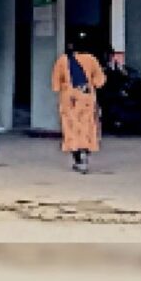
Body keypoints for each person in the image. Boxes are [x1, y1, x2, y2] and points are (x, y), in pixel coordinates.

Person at [51, 32, 107, 174]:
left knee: (71, 128)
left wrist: (63, 87)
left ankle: (77, 158)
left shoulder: (62, 60)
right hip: (86, 97)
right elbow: (100, 80)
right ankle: (85, 155)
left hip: (69, 99)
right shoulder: (91, 59)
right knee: (87, 126)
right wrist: (91, 84)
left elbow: (56, 83)